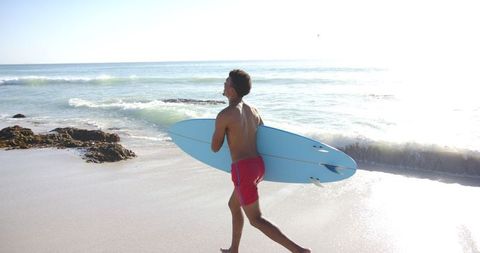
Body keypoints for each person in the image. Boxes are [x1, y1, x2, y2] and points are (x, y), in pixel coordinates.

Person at [211, 69, 310, 253]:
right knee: (233, 204)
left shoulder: (225, 114)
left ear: (231, 90)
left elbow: (215, 147)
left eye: (226, 82)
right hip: (258, 166)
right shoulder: (253, 111)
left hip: (242, 169)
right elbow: (265, 136)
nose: (224, 85)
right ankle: (234, 249)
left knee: (256, 219)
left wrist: (221, 131)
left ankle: (298, 250)